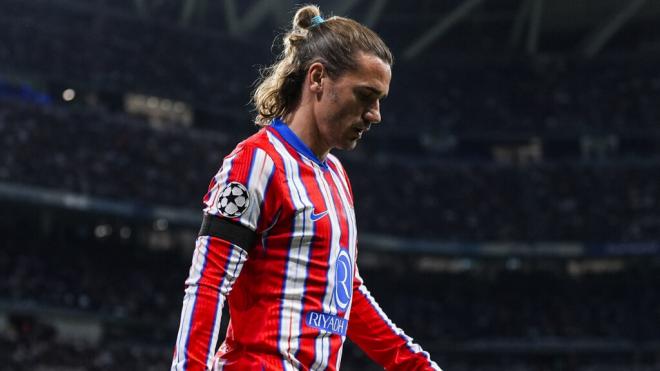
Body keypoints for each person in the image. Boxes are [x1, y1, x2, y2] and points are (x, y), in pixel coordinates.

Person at [171, 5, 441, 371]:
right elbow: (207, 285)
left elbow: (346, 295)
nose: (375, 114)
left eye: (379, 100)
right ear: (317, 78)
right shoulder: (257, 162)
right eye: (365, 95)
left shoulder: (336, 176)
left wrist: (417, 365)